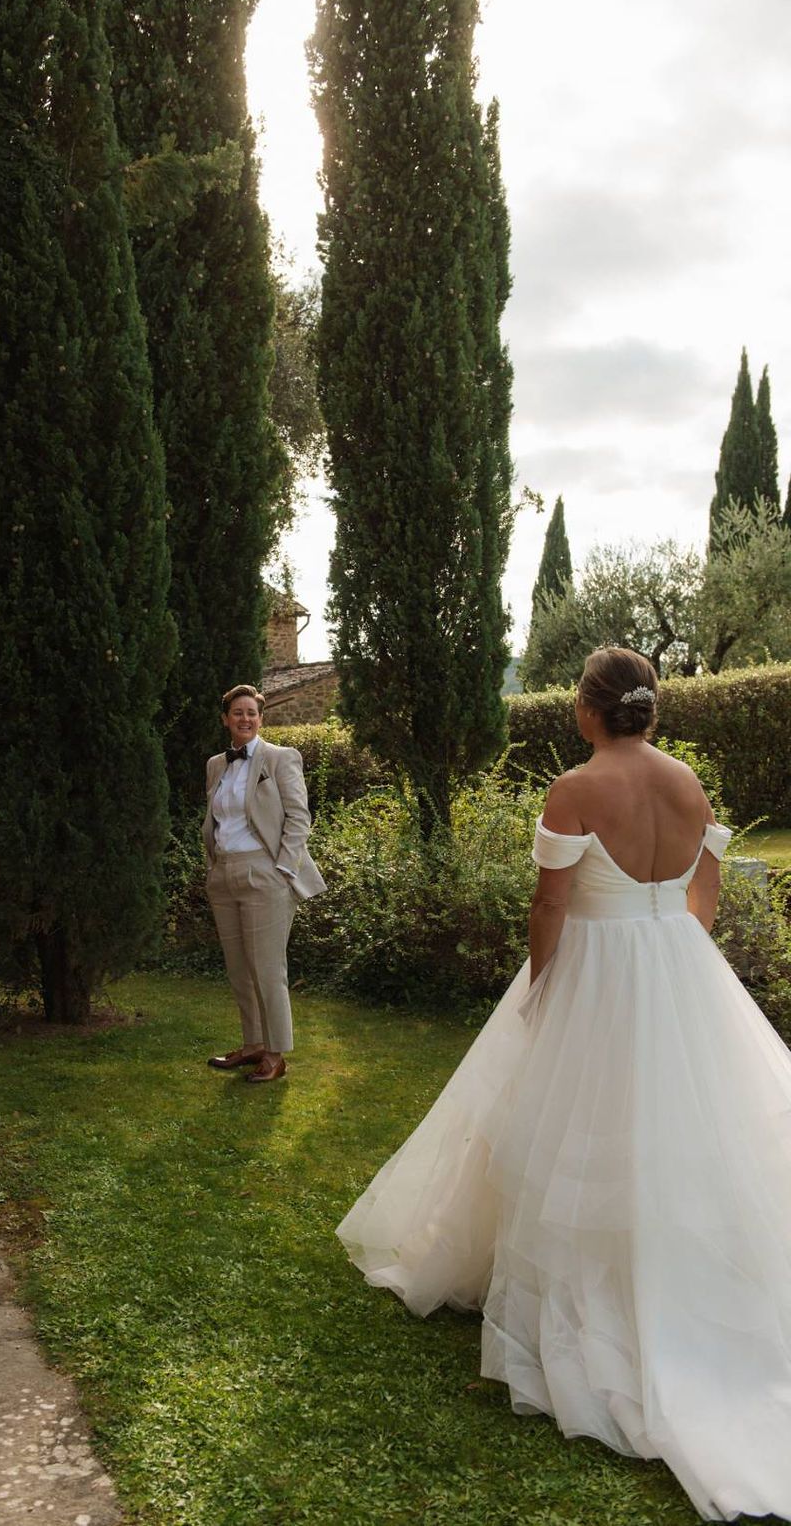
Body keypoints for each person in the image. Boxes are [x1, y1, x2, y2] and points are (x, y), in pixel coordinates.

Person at [336, 647, 791, 1522]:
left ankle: (602, 1297)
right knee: (682, 1130)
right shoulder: (688, 781)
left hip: (595, 968)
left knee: (576, 1128)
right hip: (676, 963)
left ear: (588, 711)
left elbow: (550, 905)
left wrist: (545, 990)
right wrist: (673, 949)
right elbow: (707, 888)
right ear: (648, 711)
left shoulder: (576, 789)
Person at [203, 684, 325, 1083]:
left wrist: (283, 869)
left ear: (260, 718)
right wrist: (213, 867)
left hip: (265, 873)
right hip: (224, 874)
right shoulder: (215, 765)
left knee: (267, 969)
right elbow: (218, 820)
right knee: (239, 970)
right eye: (237, 713)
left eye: (252, 713)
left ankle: (275, 1054)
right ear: (226, 719)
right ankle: (253, 1044)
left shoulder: (279, 759)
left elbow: (298, 818)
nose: (245, 719)